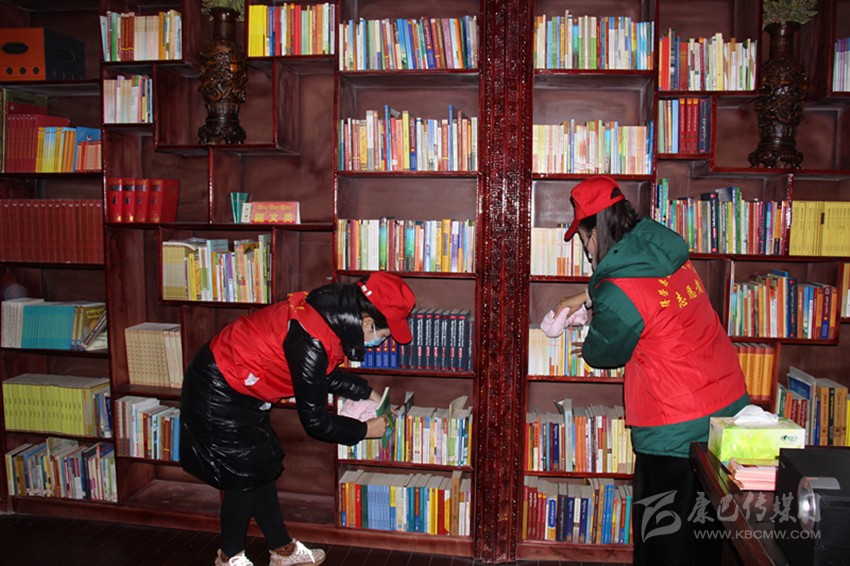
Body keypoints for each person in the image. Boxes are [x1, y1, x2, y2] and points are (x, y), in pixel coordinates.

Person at [553, 176, 749, 566]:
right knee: (705, 525)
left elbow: (603, 352)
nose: (586, 249)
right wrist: (590, 295)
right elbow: (645, 288)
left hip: (674, 424)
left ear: (596, 234)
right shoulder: (664, 251)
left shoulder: (618, 290)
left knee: (662, 537)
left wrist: (592, 322)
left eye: (584, 239)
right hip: (725, 406)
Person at [180, 272, 416, 566]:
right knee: (244, 476)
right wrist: (364, 430)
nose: (382, 342)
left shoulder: (328, 316)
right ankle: (229, 557)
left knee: (262, 467)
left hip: (241, 386)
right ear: (367, 322)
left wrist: (368, 393)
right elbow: (315, 421)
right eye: (384, 334)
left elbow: (319, 375)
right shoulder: (311, 338)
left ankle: (282, 550)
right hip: (219, 388)